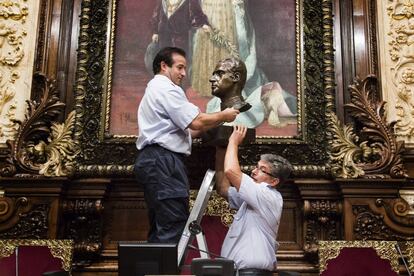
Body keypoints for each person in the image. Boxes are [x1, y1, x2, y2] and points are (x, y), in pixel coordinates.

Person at [134, 47, 239, 243]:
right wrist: (224, 115)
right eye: (180, 67)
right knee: (172, 226)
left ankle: (157, 272)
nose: (184, 73)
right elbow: (196, 122)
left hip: (157, 161)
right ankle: (167, 274)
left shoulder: (156, 89)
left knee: (162, 225)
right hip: (163, 161)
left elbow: (191, 130)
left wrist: (215, 121)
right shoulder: (166, 88)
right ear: (164, 66)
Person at [215, 125, 293, 275]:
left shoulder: (266, 194)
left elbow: (231, 171)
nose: (253, 171)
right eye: (256, 167)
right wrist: (221, 151)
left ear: (274, 181)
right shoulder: (252, 196)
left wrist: (234, 142)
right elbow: (223, 188)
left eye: (262, 170)